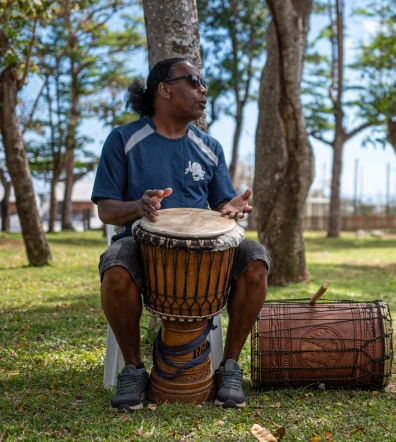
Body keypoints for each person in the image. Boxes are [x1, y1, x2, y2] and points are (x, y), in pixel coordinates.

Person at [92, 58, 270, 411]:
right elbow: (106, 209)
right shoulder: (124, 139)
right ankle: (133, 369)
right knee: (115, 267)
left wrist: (232, 207)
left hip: (206, 254)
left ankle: (229, 368)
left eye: (204, 84)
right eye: (194, 81)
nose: (204, 90)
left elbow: (222, 206)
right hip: (139, 244)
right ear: (164, 89)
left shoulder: (209, 147)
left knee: (256, 260)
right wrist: (139, 206)